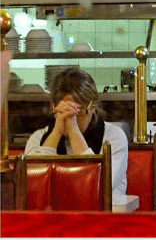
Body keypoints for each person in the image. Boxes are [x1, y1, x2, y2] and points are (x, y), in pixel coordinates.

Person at [24, 68, 128, 202]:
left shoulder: (113, 137)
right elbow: (33, 185)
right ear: (54, 108)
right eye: (62, 111)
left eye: (77, 113)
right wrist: (56, 132)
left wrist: (74, 132)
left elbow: (98, 187)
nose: (69, 118)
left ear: (93, 108)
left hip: (102, 218)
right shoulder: (39, 138)